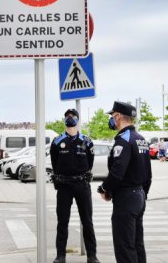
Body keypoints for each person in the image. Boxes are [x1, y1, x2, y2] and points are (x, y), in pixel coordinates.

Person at [97, 101, 152, 263]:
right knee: (137, 243)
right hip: (139, 195)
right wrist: (143, 193)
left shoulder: (123, 139)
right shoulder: (141, 139)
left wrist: (104, 189)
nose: (112, 120)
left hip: (127, 198)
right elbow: (148, 173)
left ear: (118, 116)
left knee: (125, 247)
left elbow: (117, 172)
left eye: (112, 116)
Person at [50, 108, 99, 263]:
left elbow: (90, 163)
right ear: (64, 120)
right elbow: (55, 163)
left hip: (82, 186)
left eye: (73, 116)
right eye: (67, 117)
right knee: (62, 222)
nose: (70, 118)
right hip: (64, 186)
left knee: (87, 221)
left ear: (78, 120)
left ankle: (92, 256)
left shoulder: (87, 141)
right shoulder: (57, 142)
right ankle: (60, 255)